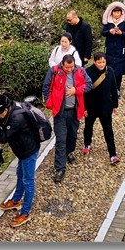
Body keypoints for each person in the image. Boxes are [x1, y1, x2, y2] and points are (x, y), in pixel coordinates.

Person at [0, 94, 39, 227]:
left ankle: (25, 213)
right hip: (22, 151)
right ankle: (15, 201)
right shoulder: (10, 109)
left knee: (28, 181)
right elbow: (1, 121)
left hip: (28, 151)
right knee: (20, 174)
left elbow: (3, 138)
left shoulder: (16, 118)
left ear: (5, 110)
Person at [42, 54, 92, 183]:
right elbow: (46, 87)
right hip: (60, 112)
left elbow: (89, 84)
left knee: (72, 135)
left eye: (71, 67)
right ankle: (60, 168)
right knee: (60, 139)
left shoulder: (80, 70)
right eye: (67, 67)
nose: (69, 69)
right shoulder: (54, 71)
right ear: (62, 64)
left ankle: (69, 152)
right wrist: (49, 102)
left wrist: (76, 90)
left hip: (75, 110)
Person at [82, 51, 120, 165]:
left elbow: (114, 89)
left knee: (108, 130)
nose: (102, 65)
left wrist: (115, 105)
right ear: (94, 62)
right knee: (88, 126)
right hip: (91, 106)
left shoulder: (110, 71)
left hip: (105, 106)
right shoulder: (87, 72)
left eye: (103, 62)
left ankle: (113, 154)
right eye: (99, 62)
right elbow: (84, 92)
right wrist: (84, 108)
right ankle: (87, 143)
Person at [101, 2, 125, 93]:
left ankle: (117, 89)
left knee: (119, 72)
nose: (116, 14)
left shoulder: (124, 23)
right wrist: (109, 32)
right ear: (111, 13)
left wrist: (121, 33)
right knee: (109, 70)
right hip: (110, 50)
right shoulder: (108, 22)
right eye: (114, 12)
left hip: (120, 50)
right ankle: (110, 89)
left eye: (118, 12)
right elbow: (103, 32)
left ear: (121, 13)